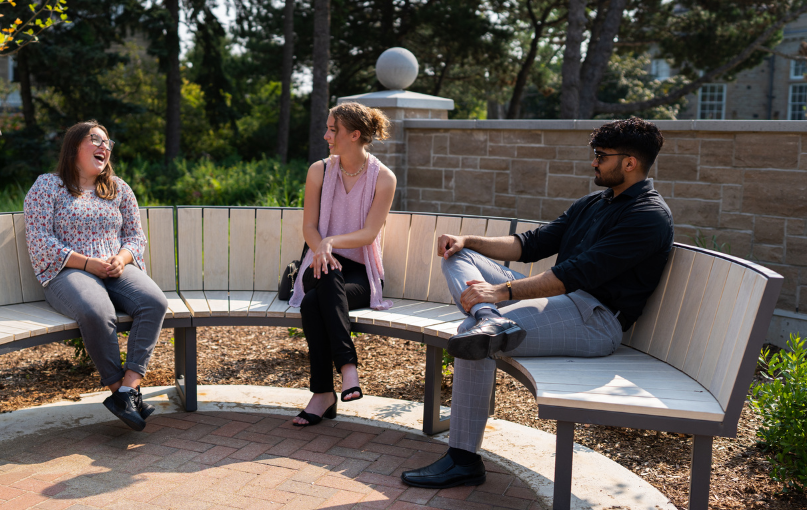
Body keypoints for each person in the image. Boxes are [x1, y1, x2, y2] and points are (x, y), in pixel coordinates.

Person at [401, 117, 673, 488]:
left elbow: (577, 274)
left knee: (474, 337)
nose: (594, 162)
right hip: (557, 299)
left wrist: (502, 293)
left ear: (629, 163)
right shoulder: (594, 203)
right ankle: (489, 318)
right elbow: (531, 244)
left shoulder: (648, 216)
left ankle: (463, 460)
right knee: (457, 257)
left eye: (601, 155)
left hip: (593, 320)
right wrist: (468, 240)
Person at [24, 120, 168, 432]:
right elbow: (40, 240)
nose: (104, 146)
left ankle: (129, 388)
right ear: (74, 147)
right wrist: (87, 264)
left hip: (115, 268)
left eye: (107, 142)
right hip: (68, 271)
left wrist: (122, 258)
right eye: (95, 140)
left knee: (154, 302)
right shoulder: (48, 186)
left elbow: (136, 238)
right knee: (96, 311)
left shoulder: (119, 189)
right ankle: (122, 393)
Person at [288, 102, 398, 427]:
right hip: (318, 265)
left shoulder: (384, 179)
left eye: (332, 130)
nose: (326, 136)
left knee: (312, 305)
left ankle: (322, 394)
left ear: (355, 134)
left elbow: (369, 234)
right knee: (326, 276)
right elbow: (309, 227)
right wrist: (322, 248)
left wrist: (331, 242)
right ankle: (348, 368)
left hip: (361, 274)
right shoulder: (319, 170)